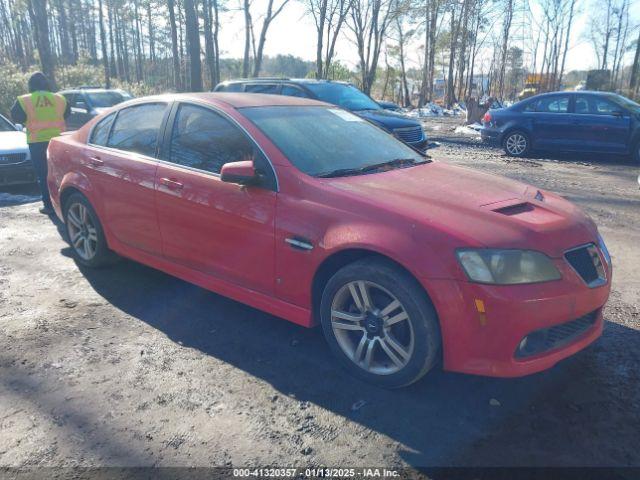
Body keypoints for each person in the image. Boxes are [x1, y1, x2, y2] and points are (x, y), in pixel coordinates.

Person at [11, 72, 70, 215]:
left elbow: (16, 116)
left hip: (37, 142)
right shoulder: (59, 98)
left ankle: (49, 206)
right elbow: (67, 113)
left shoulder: (25, 100)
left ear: (30, 85)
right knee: (61, 173)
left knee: (44, 174)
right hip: (59, 140)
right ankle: (64, 204)